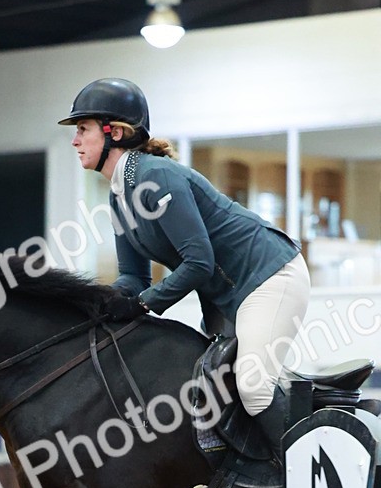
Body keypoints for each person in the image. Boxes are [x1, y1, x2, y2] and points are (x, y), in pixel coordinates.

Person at [59, 78, 311, 461]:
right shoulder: (118, 196)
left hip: (270, 276)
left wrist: (142, 305)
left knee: (254, 385)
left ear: (116, 132)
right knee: (211, 383)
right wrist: (102, 301)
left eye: (82, 130)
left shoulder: (156, 176)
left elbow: (198, 262)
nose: (75, 141)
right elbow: (135, 277)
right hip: (229, 295)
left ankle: (304, 476)